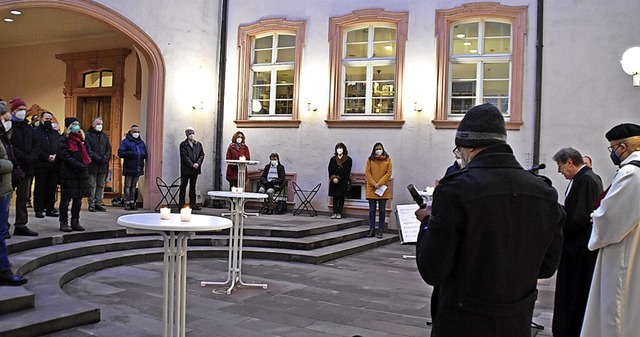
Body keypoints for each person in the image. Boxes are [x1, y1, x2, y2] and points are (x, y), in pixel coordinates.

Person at [415, 103, 565, 337]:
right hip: (516, 321)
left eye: (458, 152)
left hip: (463, 321)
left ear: (468, 148)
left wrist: (427, 223)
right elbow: (546, 267)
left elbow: (433, 270)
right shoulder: (544, 192)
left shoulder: (455, 190)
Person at [581, 123, 640, 337]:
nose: (612, 153)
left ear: (622, 148)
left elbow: (612, 219)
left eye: (612, 148)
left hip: (625, 250)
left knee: (618, 309)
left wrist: (596, 218)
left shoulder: (631, 173)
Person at [551, 148, 603, 337]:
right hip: (578, 247)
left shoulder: (586, 180)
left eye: (560, 166)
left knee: (574, 294)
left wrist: (558, 220)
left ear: (570, 162)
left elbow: (579, 217)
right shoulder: (583, 179)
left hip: (578, 250)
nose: (559, 171)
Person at [0, 100, 27, 286]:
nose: (7, 121)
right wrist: (11, 165)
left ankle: (3, 268)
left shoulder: (4, 136)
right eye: (5, 118)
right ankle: (3, 270)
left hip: (4, 189)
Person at [8, 97, 39, 236]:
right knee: (7, 198)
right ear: (13, 111)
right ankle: (3, 225)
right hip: (12, 167)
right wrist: (23, 156)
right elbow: (9, 147)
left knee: (23, 197)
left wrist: (32, 156)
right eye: (20, 110)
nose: (22, 112)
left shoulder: (28, 127)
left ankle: (21, 224)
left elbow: (36, 144)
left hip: (27, 168)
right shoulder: (9, 127)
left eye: (24, 110)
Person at [58, 117, 91, 232]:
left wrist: (86, 164)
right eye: (74, 124)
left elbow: (88, 152)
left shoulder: (82, 139)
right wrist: (78, 165)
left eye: (78, 124)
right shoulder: (64, 140)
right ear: (69, 127)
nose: (77, 126)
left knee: (78, 199)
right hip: (68, 173)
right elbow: (65, 156)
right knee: (66, 200)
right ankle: (63, 222)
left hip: (81, 174)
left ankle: (75, 221)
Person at [32, 111, 61, 219]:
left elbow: (58, 146)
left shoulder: (54, 133)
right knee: (40, 188)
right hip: (41, 164)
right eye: (46, 119)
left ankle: (50, 208)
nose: (48, 121)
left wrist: (55, 156)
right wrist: (46, 156)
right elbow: (36, 148)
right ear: (41, 119)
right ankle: (39, 209)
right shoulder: (35, 132)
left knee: (52, 187)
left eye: (50, 119)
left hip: (53, 165)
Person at [365, 142, 392, 238]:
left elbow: (388, 173)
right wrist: (374, 183)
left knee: (382, 210)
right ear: (374, 150)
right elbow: (367, 172)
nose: (378, 150)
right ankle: (371, 229)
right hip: (372, 188)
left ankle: (380, 230)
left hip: (382, 189)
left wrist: (379, 183)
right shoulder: (370, 160)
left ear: (383, 149)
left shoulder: (387, 160)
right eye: (377, 149)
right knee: (372, 210)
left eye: (380, 149)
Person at [118, 125, 147, 211]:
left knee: (134, 185)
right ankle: (127, 202)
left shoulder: (141, 142)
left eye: (138, 132)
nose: (136, 133)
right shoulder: (125, 142)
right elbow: (120, 153)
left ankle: (132, 202)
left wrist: (143, 154)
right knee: (128, 185)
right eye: (135, 132)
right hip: (129, 167)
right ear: (130, 132)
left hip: (138, 167)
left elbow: (144, 153)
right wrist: (131, 153)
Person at [85, 117, 111, 212]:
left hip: (103, 165)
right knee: (92, 184)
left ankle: (98, 202)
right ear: (93, 125)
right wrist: (98, 158)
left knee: (101, 185)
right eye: (98, 124)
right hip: (93, 164)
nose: (100, 126)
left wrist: (105, 158)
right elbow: (88, 150)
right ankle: (91, 203)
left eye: (101, 124)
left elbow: (109, 149)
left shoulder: (104, 136)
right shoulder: (88, 135)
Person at [179, 127, 204, 210]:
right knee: (183, 186)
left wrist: (198, 163)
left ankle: (192, 204)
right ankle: (181, 204)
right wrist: (191, 164)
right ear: (186, 134)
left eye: (193, 133)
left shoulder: (198, 144)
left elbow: (202, 155)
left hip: (195, 169)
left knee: (193, 187)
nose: (192, 135)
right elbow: (184, 156)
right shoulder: (183, 144)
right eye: (190, 133)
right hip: (186, 169)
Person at [328, 142, 352, 219]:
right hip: (334, 181)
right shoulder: (332, 159)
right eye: (338, 148)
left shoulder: (348, 159)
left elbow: (347, 170)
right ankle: (334, 211)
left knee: (341, 197)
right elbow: (330, 169)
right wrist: (333, 177)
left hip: (343, 180)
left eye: (341, 148)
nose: (339, 150)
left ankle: (339, 212)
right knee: (335, 197)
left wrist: (339, 177)